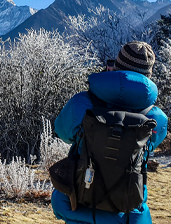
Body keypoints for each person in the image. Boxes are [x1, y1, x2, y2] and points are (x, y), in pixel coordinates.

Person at [51, 41, 168, 224]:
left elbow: (61, 131)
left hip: (80, 206)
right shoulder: (156, 118)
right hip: (129, 214)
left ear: (115, 67)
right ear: (148, 76)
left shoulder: (82, 103)